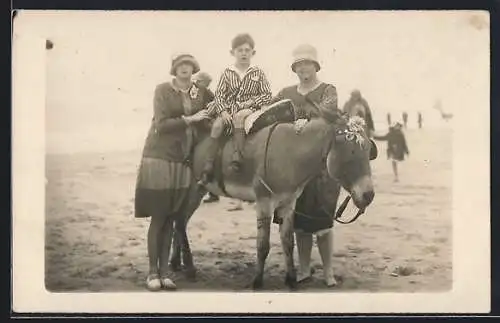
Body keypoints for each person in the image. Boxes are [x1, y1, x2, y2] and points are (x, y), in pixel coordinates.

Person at [134, 53, 211, 291]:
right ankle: (152, 272)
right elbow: (161, 124)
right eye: (180, 65)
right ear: (174, 69)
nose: (184, 69)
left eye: (188, 65)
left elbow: (214, 108)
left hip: (183, 160)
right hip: (159, 157)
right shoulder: (162, 90)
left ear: (193, 69)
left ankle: (166, 272)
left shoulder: (199, 93)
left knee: (171, 218)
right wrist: (191, 119)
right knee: (159, 216)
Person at [271, 44, 342, 287]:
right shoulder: (285, 92)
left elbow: (329, 114)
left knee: (322, 224)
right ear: (294, 68)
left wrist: (306, 121)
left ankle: (328, 271)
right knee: (299, 223)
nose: (303, 68)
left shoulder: (328, 90)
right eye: (299, 65)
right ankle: (303, 268)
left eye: (307, 64)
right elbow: (270, 113)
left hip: (322, 169)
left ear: (315, 65)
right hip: (293, 170)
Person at [198, 33, 273, 186]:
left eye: (247, 50)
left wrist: (251, 101)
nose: (244, 53)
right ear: (233, 53)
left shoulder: (257, 73)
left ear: (253, 53)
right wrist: (223, 112)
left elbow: (266, 95)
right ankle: (209, 164)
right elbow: (219, 96)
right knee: (218, 125)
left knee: (240, 117)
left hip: (251, 108)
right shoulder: (227, 73)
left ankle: (237, 155)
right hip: (229, 108)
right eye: (240, 50)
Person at [193, 72, 220, 204]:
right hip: (196, 126)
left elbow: (216, 108)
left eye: (207, 83)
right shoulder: (193, 91)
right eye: (203, 82)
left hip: (203, 129)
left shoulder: (208, 94)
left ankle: (212, 192)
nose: (204, 85)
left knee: (205, 156)